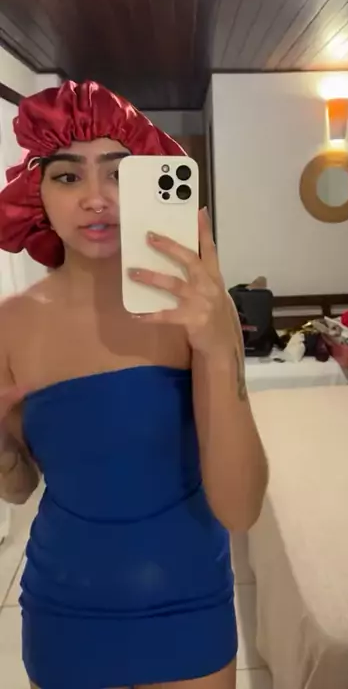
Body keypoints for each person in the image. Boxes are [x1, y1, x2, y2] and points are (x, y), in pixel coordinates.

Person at [0, 80, 268, 689]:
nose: (96, 198)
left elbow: (241, 507)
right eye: (68, 176)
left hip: (190, 606)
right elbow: (19, 487)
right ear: (37, 193)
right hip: (61, 611)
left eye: (121, 174)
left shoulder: (199, 311)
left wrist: (217, 347)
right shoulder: (9, 325)